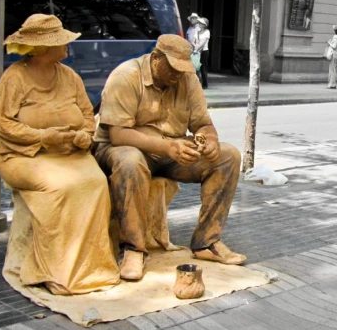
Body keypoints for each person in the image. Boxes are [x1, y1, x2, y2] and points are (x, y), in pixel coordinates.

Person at [93, 34, 245, 281]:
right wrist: (167, 147)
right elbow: (118, 135)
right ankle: (133, 249)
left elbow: (203, 123)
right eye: (173, 68)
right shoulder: (126, 76)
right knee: (131, 160)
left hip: (168, 150)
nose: (178, 75)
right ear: (155, 58)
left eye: (183, 69)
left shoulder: (186, 78)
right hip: (121, 148)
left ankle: (207, 242)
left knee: (228, 156)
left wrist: (210, 139)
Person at [0, 14, 120, 295]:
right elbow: (0, 123)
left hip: (69, 153)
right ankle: (53, 269)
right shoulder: (14, 77)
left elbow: (88, 115)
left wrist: (84, 135)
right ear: (43, 48)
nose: (67, 47)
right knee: (61, 188)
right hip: (23, 155)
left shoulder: (69, 76)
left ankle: (91, 267)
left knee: (96, 184)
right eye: (61, 42)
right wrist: (42, 136)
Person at [192, 17, 210, 89]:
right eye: (199, 23)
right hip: (196, 51)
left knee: (203, 68)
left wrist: (197, 48)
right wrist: (194, 46)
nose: (199, 24)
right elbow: (193, 40)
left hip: (204, 51)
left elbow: (203, 42)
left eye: (201, 23)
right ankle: (196, 84)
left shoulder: (207, 32)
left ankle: (204, 84)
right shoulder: (197, 32)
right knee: (196, 68)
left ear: (204, 25)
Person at [326, 24, 337, 89]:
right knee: (334, 70)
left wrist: (329, 43)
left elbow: (334, 46)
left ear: (335, 31)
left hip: (333, 54)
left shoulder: (335, 37)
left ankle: (331, 84)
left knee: (332, 70)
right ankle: (333, 83)